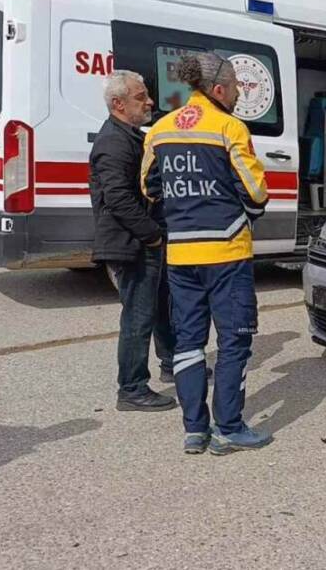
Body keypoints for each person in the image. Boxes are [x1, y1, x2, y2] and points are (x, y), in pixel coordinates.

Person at [141, 52, 272, 455]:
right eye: (235, 88)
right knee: (234, 341)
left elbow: (149, 187)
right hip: (227, 252)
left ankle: (195, 430)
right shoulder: (229, 128)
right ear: (218, 89)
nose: (237, 95)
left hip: (181, 255)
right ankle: (229, 427)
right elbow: (257, 192)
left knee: (188, 343)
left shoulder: (159, 131)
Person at [89, 70, 177, 413]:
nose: (150, 101)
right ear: (118, 104)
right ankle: (132, 388)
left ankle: (171, 362)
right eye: (141, 97)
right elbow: (118, 199)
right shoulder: (113, 141)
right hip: (132, 244)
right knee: (138, 317)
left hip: (142, 240)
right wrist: (153, 236)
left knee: (159, 309)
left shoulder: (130, 136)